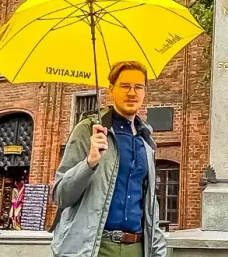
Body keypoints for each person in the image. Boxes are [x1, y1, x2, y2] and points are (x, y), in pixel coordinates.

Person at [51, 61, 166, 257]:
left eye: (138, 87)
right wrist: (90, 162)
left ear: (145, 92)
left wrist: (157, 250)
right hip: (94, 248)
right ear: (111, 90)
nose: (132, 92)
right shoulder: (88, 131)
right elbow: (61, 195)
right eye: (124, 86)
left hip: (136, 248)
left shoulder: (146, 140)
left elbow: (150, 204)